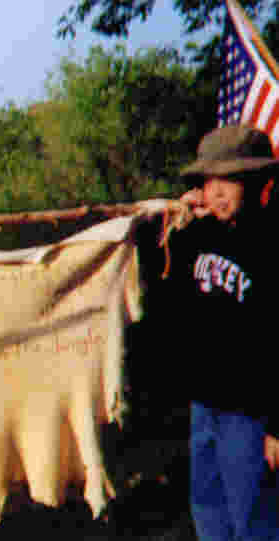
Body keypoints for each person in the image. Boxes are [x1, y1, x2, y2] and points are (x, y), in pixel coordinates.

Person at [174, 124, 279, 541]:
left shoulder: (270, 243)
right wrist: (181, 226)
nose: (216, 192)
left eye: (230, 181)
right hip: (205, 404)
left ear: (258, 183)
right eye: (209, 181)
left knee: (253, 520)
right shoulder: (199, 236)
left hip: (250, 412)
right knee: (208, 511)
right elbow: (174, 298)